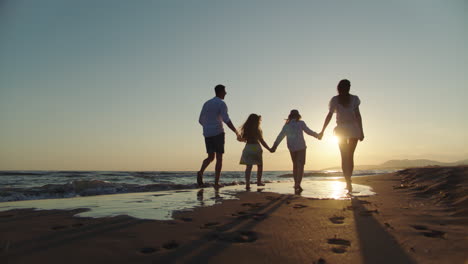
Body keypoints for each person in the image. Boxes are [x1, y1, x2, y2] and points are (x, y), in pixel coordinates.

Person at [319, 79, 364, 193]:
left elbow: (358, 116)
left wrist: (361, 131)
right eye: (347, 86)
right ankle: (348, 181)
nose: (348, 88)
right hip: (342, 130)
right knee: (346, 156)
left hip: (352, 129)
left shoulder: (354, 99)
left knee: (348, 156)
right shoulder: (335, 100)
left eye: (349, 86)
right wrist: (322, 130)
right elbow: (329, 115)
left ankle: (348, 181)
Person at [197, 84, 239, 188]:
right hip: (218, 133)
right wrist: (236, 132)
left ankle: (200, 172)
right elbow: (226, 120)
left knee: (210, 157)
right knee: (219, 158)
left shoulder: (206, 103)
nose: (226, 93)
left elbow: (200, 120)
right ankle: (216, 183)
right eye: (224, 91)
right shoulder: (221, 103)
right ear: (220, 92)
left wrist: (207, 126)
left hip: (207, 133)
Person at [271, 110, 321, 192]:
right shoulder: (301, 123)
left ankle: (295, 183)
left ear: (290, 116)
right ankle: (298, 184)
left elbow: (280, 136)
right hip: (301, 146)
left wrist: (274, 146)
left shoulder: (287, 125)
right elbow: (308, 131)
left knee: (295, 165)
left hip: (291, 147)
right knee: (300, 165)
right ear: (298, 116)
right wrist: (317, 135)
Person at [238, 114, 273, 190]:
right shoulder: (258, 130)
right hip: (256, 147)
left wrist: (239, 138)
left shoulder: (246, 129)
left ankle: (247, 184)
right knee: (259, 165)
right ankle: (259, 181)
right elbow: (262, 141)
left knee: (248, 167)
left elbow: (243, 139)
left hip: (248, 147)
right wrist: (269, 149)